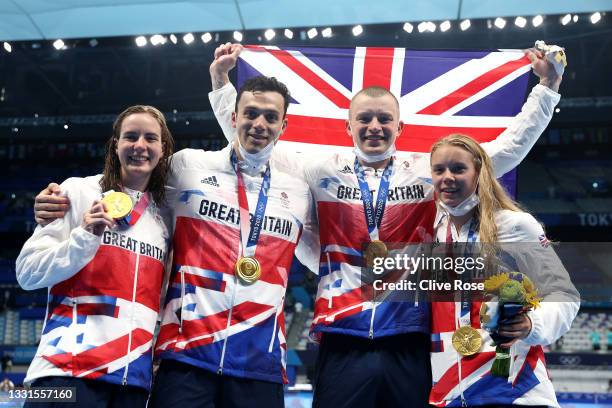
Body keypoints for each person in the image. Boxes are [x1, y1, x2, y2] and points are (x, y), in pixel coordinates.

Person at [204, 43, 564, 407]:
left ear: (399, 126)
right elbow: (254, 144)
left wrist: (546, 90)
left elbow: (502, 153)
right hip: (342, 335)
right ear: (349, 125)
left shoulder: (428, 171)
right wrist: (222, 86)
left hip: (408, 337)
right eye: (364, 119)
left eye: (384, 119)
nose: (374, 126)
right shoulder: (318, 169)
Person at [32, 77, 318, 407]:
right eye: (250, 113)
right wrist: (65, 197)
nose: (259, 123)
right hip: (185, 358)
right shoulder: (188, 166)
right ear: (233, 117)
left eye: (270, 117)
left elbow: (320, 253)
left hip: (259, 362)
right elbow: (134, 179)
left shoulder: (299, 191)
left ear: (284, 125)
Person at [16, 105, 174, 407]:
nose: (140, 146)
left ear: (163, 148)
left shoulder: (165, 217)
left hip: (132, 380)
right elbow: (27, 272)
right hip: (63, 372)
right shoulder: (75, 191)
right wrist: (85, 234)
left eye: (150, 138)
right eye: (131, 136)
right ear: (115, 145)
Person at [428, 134, 579, 407]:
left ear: (480, 173)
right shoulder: (429, 236)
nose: (447, 177)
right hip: (449, 396)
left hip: (516, 393)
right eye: (439, 170)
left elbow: (564, 295)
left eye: (459, 169)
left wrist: (532, 324)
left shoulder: (516, 226)